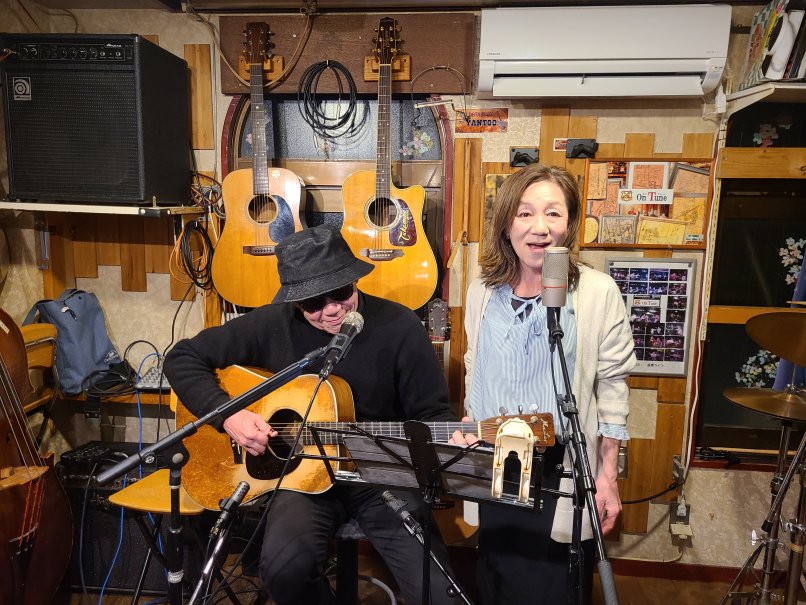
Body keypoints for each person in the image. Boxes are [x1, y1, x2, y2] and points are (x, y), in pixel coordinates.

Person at [164, 225, 460, 605]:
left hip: (379, 473)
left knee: (437, 591)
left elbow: (432, 414)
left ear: (355, 280)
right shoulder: (272, 324)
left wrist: (453, 437)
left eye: (341, 292)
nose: (332, 309)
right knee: (284, 570)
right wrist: (230, 416)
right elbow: (182, 357)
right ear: (295, 302)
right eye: (314, 302)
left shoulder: (399, 327)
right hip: (299, 478)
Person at [462, 163, 636, 604]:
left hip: (563, 465)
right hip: (498, 457)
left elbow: (612, 391)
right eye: (525, 213)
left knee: (554, 585)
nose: (539, 227)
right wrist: (471, 420)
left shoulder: (597, 292)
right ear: (506, 224)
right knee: (497, 581)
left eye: (553, 213)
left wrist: (608, 477)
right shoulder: (483, 291)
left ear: (569, 223)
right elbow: (475, 364)